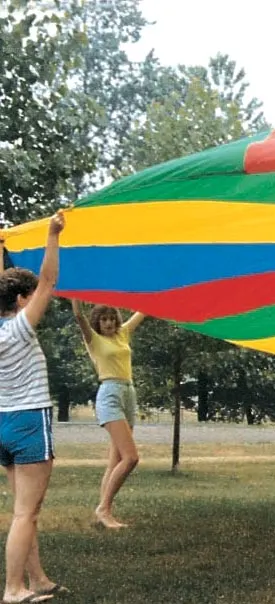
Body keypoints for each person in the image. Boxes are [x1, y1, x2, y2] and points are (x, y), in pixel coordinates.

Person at [0, 212, 70, 603]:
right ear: (22, 301)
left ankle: (38, 579)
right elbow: (49, 281)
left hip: (4, 424)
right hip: (29, 422)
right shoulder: (21, 328)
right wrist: (52, 235)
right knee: (25, 513)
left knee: (25, 511)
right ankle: (12, 589)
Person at [71, 299, 145, 529]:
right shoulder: (94, 340)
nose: (109, 323)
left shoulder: (123, 334)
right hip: (110, 394)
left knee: (115, 461)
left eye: (112, 318)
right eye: (104, 319)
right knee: (130, 457)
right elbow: (79, 317)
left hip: (128, 393)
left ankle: (103, 514)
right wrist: (75, 294)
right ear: (98, 322)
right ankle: (103, 508)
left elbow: (143, 311)